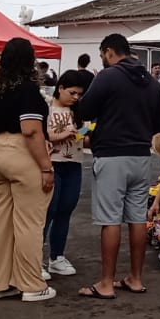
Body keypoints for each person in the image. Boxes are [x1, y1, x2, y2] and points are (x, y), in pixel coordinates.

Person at [74, 33, 160, 297]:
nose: (103, 60)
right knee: (137, 218)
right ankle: (135, 279)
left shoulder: (108, 76)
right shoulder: (151, 81)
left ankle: (106, 283)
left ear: (109, 52)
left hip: (112, 155)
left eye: (103, 55)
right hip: (141, 156)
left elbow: (85, 110)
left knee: (110, 219)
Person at [0, 38, 58, 303]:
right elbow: (32, 131)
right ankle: (32, 284)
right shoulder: (28, 92)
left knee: (0, 222)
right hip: (24, 154)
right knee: (29, 223)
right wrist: (46, 167)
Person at [43, 69, 93, 279]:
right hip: (52, 163)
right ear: (60, 88)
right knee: (48, 211)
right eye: (72, 93)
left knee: (65, 209)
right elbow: (42, 136)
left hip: (74, 164)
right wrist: (63, 135)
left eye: (79, 94)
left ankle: (57, 256)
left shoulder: (76, 111)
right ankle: (34, 258)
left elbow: (84, 139)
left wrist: (86, 135)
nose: (75, 98)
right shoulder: (46, 106)